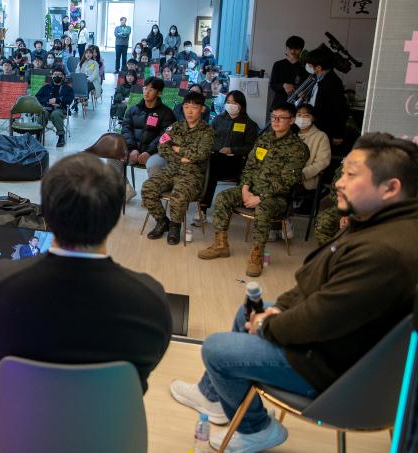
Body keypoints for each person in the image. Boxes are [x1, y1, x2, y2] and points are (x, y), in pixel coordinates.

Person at [171, 133, 418, 452]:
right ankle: (213, 396)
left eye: (351, 175)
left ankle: (256, 428)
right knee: (249, 310)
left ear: (390, 188)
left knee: (217, 349)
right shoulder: (382, 222)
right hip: (337, 344)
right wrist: (277, 311)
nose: (339, 182)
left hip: (336, 371)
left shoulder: (384, 251)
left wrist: (268, 324)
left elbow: (321, 317)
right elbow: (317, 287)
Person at [0, 152, 172, 392]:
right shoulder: (150, 300)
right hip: (111, 414)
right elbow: (147, 365)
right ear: (113, 219)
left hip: (19, 409)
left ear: (46, 213)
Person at [198, 102, 308, 276]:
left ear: (292, 120)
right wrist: (245, 188)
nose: (276, 121)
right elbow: (250, 166)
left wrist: (260, 197)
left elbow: (287, 181)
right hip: (251, 189)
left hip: (276, 198)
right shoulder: (264, 139)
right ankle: (221, 245)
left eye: (281, 118)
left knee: (263, 209)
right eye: (273, 117)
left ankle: (257, 256)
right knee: (223, 197)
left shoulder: (298, 148)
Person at [141, 92, 215, 244]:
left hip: (192, 175)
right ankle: (162, 222)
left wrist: (177, 148)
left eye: (194, 107)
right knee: (148, 188)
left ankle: (175, 227)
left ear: (202, 109)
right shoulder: (175, 127)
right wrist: (181, 157)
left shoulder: (208, 131)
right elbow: (162, 146)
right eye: (186, 107)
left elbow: (200, 154)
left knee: (178, 195)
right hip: (171, 170)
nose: (189, 111)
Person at [197, 90, 260, 220]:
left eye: (234, 102)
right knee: (210, 166)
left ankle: (204, 208)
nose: (231, 105)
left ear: (241, 105)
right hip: (215, 159)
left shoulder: (250, 124)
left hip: (236, 162)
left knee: (212, 167)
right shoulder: (218, 120)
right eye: (228, 102)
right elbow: (208, 138)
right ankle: (201, 208)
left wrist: (232, 149)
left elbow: (250, 147)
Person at [120, 77, 176, 169]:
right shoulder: (132, 110)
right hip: (132, 151)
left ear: (159, 93)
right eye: (145, 88)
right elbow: (126, 130)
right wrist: (132, 149)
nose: (146, 92)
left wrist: (149, 152)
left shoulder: (167, 113)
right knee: (114, 162)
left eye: (151, 90)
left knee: (155, 165)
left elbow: (166, 135)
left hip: (155, 154)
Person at [305, 45, 348, 148]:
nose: (308, 66)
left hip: (326, 128)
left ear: (318, 67)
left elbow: (340, 109)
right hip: (316, 125)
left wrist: (338, 134)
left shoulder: (332, 82)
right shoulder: (320, 77)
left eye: (310, 65)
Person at [295, 103, 331, 191]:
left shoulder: (321, 136)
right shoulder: (290, 134)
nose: (302, 118)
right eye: (299, 115)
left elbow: (322, 162)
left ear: (313, 118)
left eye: (306, 115)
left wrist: (303, 174)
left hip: (305, 182)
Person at [35, 67, 74, 147]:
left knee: (55, 114)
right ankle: (38, 135)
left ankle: (61, 136)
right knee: (43, 113)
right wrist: (48, 101)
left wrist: (57, 101)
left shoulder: (68, 89)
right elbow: (37, 97)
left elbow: (69, 100)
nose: (57, 76)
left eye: (59, 75)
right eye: (55, 74)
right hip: (47, 108)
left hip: (61, 109)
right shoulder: (45, 87)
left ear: (63, 77)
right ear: (52, 76)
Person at [268, 35, 309, 110]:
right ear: (286, 48)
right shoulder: (278, 64)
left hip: (298, 103)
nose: (292, 52)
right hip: (279, 102)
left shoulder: (306, 66)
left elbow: (307, 85)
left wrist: (297, 63)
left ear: (301, 50)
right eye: (290, 48)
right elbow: (272, 85)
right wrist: (283, 85)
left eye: (296, 49)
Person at [74, 47, 100, 112]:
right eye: (87, 53)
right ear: (84, 54)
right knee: (76, 86)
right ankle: (77, 101)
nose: (88, 54)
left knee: (86, 86)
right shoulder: (81, 63)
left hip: (92, 81)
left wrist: (88, 80)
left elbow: (95, 74)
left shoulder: (95, 63)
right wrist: (81, 79)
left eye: (90, 53)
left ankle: (82, 100)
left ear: (92, 55)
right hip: (82, 80)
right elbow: (77, 72)